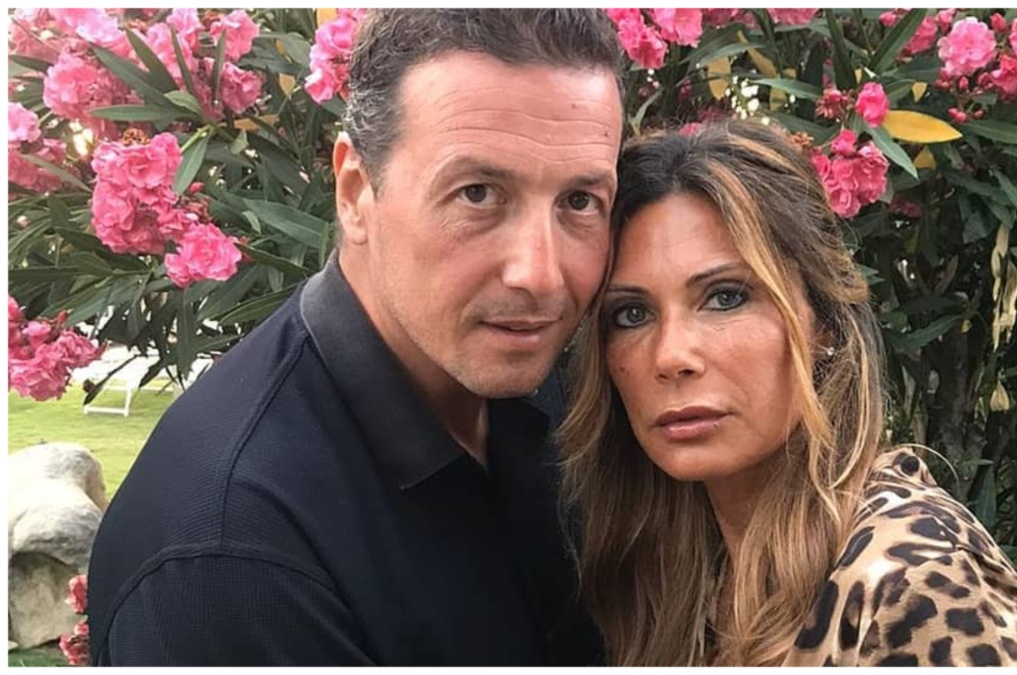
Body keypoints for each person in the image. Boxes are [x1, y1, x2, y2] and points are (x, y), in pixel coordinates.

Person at [86, 9, 624, 666]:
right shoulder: (230, 561)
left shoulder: (551, 396)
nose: (540, 274)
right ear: (355, 191)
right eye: (479, 194)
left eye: (579, 202)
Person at [558, 121, 1017, 667]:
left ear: (823, 322)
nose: (670, 356)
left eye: (726, 297)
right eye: (631, 314)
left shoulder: (912, 583)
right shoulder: (680, 572)